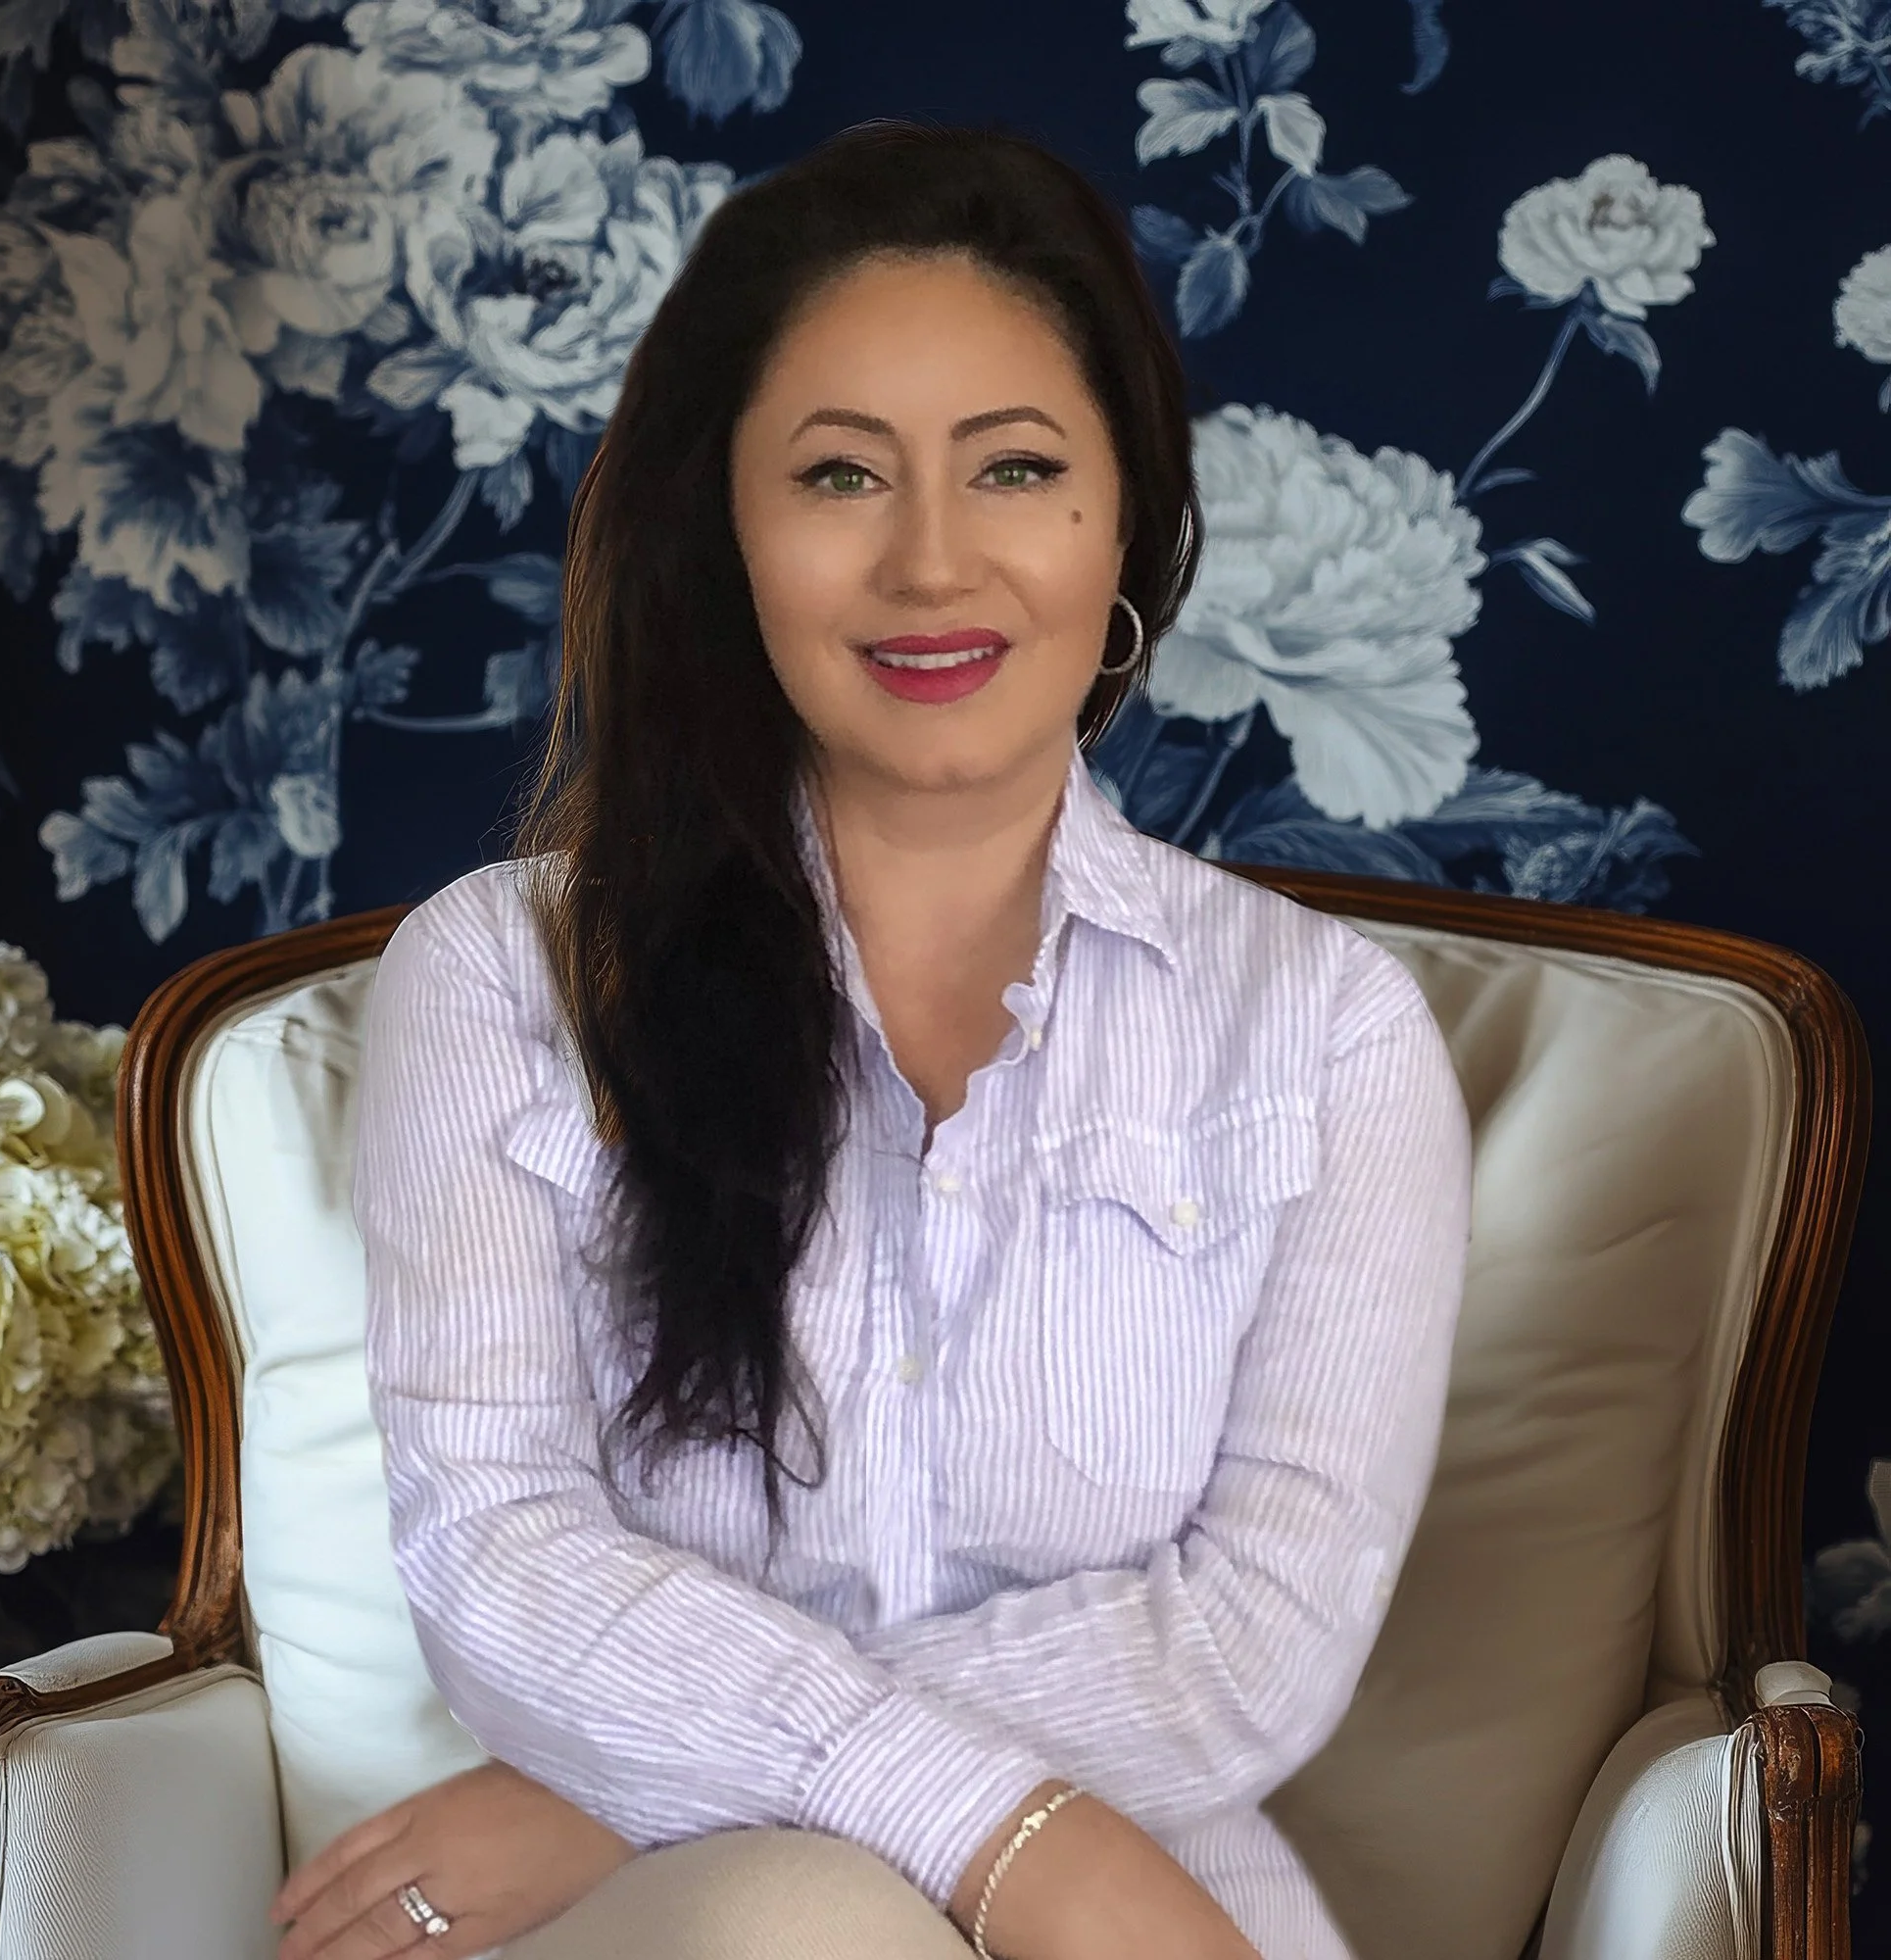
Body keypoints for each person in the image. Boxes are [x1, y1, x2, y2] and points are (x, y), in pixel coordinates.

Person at [268, 119, 1472, 1960]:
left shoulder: (1326, 1035)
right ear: (726, 528)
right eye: (839, 476)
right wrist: (1005, 1840)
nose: (931, 564)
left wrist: (617, 1786)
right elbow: (499, 1556)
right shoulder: (507, 979)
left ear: (1127, 519)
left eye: (1015, 469)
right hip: (702, 1926)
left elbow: (1258, 1635)